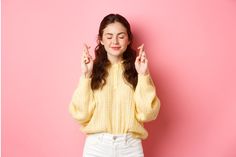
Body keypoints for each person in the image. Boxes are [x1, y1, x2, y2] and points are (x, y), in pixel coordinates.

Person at [69, 13, 161, 157]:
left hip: (130, 146)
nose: (115, 41)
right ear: (101, 40)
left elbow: (148, 114)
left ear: (129, 39)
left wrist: (143, 75)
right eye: (109, 36)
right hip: (96, 147)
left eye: (121, 36)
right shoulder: (92, 71)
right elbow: (81, 114)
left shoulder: (138, 70)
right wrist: (86, 76)